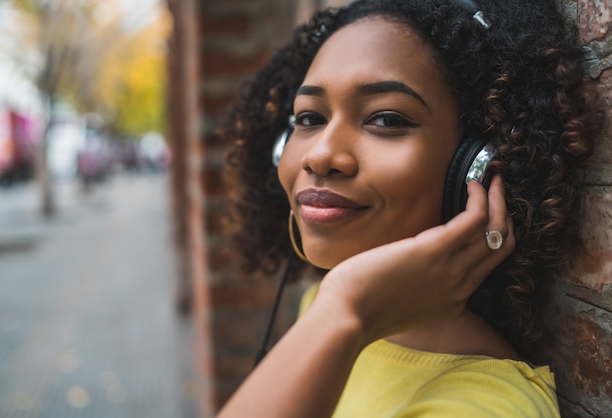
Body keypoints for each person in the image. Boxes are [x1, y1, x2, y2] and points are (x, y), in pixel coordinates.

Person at [218, 0, 602, 416]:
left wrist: (345, 313)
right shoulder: (326, 303)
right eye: (309, 118)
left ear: (481, 164)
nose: (321, 154)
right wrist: (340, 312)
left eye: (385, 119)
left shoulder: (483, 407)